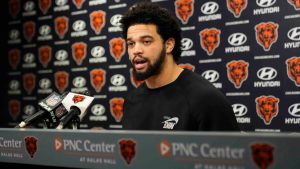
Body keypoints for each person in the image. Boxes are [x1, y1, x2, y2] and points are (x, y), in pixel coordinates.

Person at [120, 1, 240, 131]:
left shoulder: (205, 99)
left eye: (146, 41)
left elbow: (229, 150)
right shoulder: (132, 101)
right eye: (131, 44)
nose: (136, 50)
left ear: (169, 45)